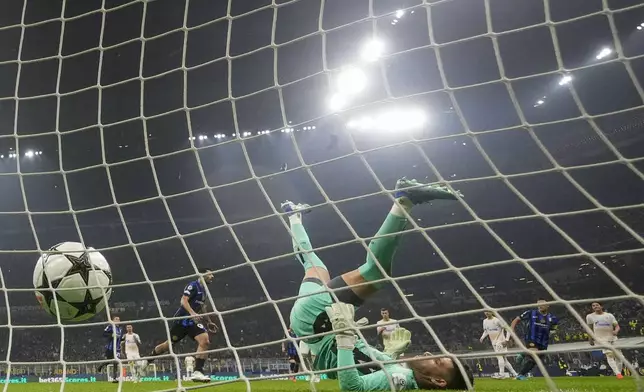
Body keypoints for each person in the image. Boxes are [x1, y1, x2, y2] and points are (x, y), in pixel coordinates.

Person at [283, 178, 473, 390]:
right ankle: (293, 216)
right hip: (309, 326)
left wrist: (344, 336)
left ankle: (405, 200)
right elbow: (367, 363)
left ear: (439, 381)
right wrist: (389, 354)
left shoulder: (402, 380)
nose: (429, 353)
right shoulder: (402, 373)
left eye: (437, 361)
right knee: (312, 263)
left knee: (375, 273)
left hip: (320, 322)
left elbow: (352, 388)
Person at [142, 268, 218, 382]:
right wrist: (192, 313)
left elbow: (202, 306)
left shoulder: (205, 290)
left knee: (205, 341)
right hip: (181, 321)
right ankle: (149, 359)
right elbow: (183, 301)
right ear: (202, 274)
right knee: (168, 345)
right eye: (210, 274)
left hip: (193, 322)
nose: (212, 276)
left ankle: (198, 371)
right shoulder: (193, 285)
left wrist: (209, 321)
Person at [509, 299, 559, 380]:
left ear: (548, 305)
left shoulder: (553, 318)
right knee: (534, 354)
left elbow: (553, 330)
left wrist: (550, 333)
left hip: (543, 342)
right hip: (532, 338)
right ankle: (523, 353)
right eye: (538, 304)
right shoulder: (531, 313)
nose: (540, 306)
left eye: (542, 304)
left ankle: (521, 374)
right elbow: (516, 319)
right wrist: (511, 330)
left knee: (535, 360)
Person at [586, 302, 623, 379]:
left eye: (597, 305)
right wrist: (590, 339)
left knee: (619, 357)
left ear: (601, 306)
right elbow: (589, 328)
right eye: (593, 306)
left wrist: (616, 331)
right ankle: (618, 374)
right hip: (601, 339)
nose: (595, 306)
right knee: (609, 355)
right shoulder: (590, 316)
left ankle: (618, 373)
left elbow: (617, 326)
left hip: (612, 338)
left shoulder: (609, 315)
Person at [479, 312, 517, 379]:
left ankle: (502, 375)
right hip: (494, 342)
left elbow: (507, 329)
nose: (487, 313)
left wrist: (506, 340)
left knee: (499, 357)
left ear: (491, 312)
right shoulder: (484, 321)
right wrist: (482, 337)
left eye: (488, 311)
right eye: (485, 311)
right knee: (505, 360)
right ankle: (515, 374)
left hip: (500, 341)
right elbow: (486, 331)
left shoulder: (497, 320)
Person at [97, 316, 123, 383]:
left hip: (117, 349)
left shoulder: (120, 329)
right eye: (116, 319)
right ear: (113, 320)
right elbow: (104, 334)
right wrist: (111, 334)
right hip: (110, 348)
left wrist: (123, 339)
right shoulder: (110, 326)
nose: (117, 320)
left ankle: (114, 378)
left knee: (116, 362)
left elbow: (119, 339)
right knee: (109, 361)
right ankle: (101, 366)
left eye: (118, 319)